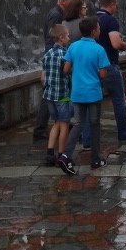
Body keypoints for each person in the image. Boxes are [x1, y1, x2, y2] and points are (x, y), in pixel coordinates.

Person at [58, 16, 110, 172]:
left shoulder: (73, 47)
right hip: (93, 93)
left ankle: (65, 155)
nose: (100, 30)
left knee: (78, 124)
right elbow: (102, 74)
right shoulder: (99, 49)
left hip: (77, 92)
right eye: (99, 28)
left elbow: (66, 69)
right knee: (94, 124)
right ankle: (95, 160)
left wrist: (78, 73)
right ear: (94, 32)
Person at [81, 0, 126, 147]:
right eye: (115, 5)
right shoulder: (111, 20)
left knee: (93, 102)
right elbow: (115, 43)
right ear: (112, 4)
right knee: (119, 100)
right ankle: (123, 133)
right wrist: (125, 45)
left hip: (93, 67)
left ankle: (87, 139)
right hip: (109, 65)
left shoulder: (92, 19)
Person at [33, 0, 75, 140]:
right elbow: (51, 36)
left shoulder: (58, 13)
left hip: (54, 55)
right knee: (49, 94)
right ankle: (40, 129)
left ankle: (62, 122)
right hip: (54, 56)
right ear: (64, 1)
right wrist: (56, 56)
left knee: (53, 93)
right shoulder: (56, 14)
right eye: (71, 1)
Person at [40, 24, 73, 170]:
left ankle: (49, 153)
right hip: (62, 96)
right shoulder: (64, 54)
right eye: (67, 36)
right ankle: (61, 155)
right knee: (64, 125)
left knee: (55, 123)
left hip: (49, 95)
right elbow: (67, 71)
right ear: (61, 37)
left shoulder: (47, 54)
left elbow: (43, 76)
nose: (69, 38)